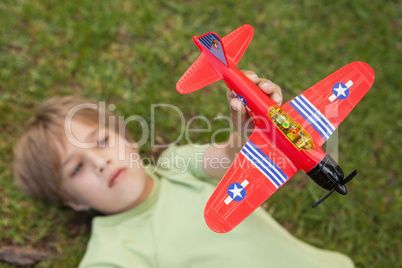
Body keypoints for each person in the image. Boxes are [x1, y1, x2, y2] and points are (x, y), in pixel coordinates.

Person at [13, 71, 354, 267]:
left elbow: (232, 154)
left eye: (101, 142)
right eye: (76, 169)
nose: (100, 163)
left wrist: (252, 132)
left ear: (128, 139)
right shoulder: (114, 250)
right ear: (72, 201)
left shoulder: (175, 166)